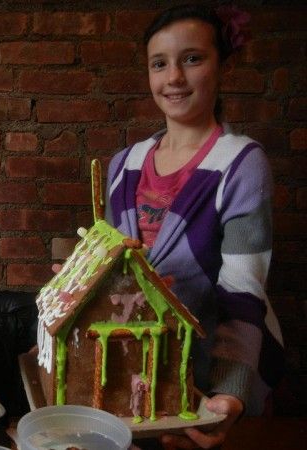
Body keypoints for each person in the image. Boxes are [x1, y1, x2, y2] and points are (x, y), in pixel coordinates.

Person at [104, 4, 284, 449]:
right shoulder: (122, 165)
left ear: (224, 64)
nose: (174, 78)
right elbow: (117, 275)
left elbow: (243, 291)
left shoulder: (241, 164)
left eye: (192, 59)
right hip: (136, 375)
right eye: (159, 64)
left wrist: (228, 394)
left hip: (207, 373)